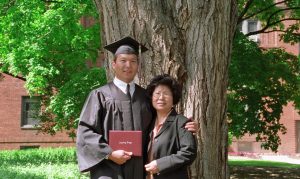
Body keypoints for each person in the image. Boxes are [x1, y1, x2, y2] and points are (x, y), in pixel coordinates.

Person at [76, 36, 197, 179]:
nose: (128, 65)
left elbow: (162, 121)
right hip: (108, 171)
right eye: (123, 61)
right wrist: (109, 153)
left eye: (133, 61)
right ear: (113, 64)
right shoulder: (99, 95)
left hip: (139, 170)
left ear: (138, 66)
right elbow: (85, 132)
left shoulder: (145, 96)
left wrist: (185, 125)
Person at [145, 74, 197, 179]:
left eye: (166, 94)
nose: (161, 97)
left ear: (174, 98)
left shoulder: (182, 122)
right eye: (157, 93)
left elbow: (188, 152)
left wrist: (160, 164)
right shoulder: (148, 122)